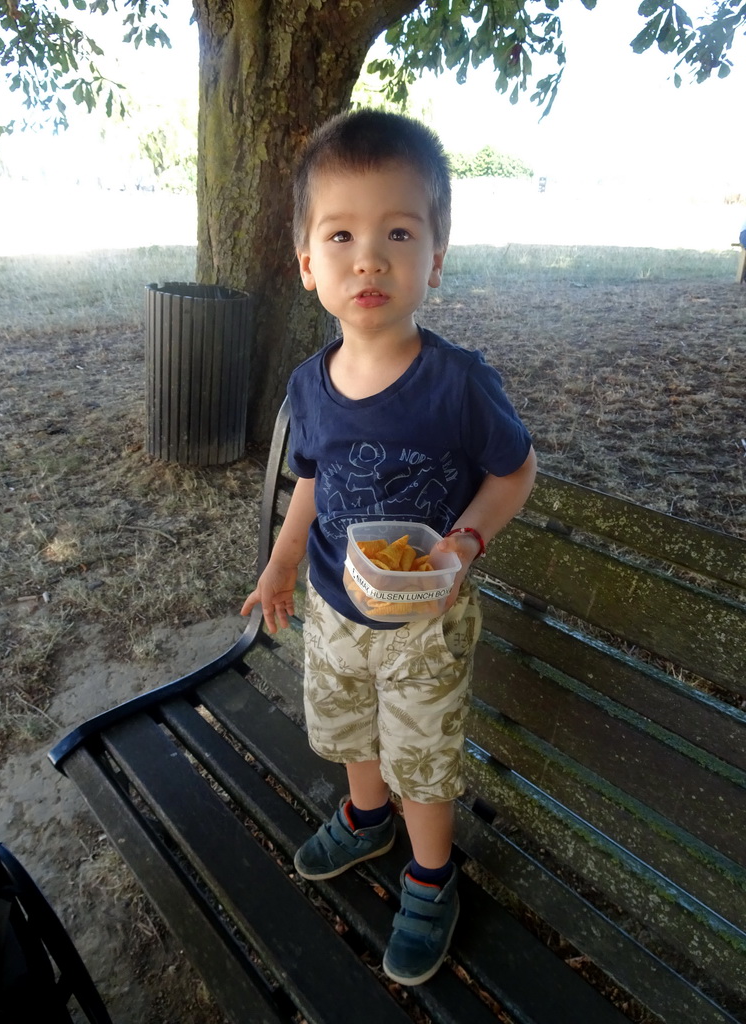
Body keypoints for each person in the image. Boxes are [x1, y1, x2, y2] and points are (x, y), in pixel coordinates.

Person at [240, 109, 537, 986]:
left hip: (426, 621)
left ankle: (430, 873)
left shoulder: (459, 384)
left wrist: (464, 544)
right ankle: (366, 819)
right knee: (350, 729)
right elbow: (315, 483)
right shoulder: (309, 383)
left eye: (398, 232)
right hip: (335, 605)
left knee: (424, 754)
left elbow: (516, 474)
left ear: (435, 259)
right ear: (307, 265)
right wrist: (285, 560)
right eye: (341, 233)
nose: (369, 256)